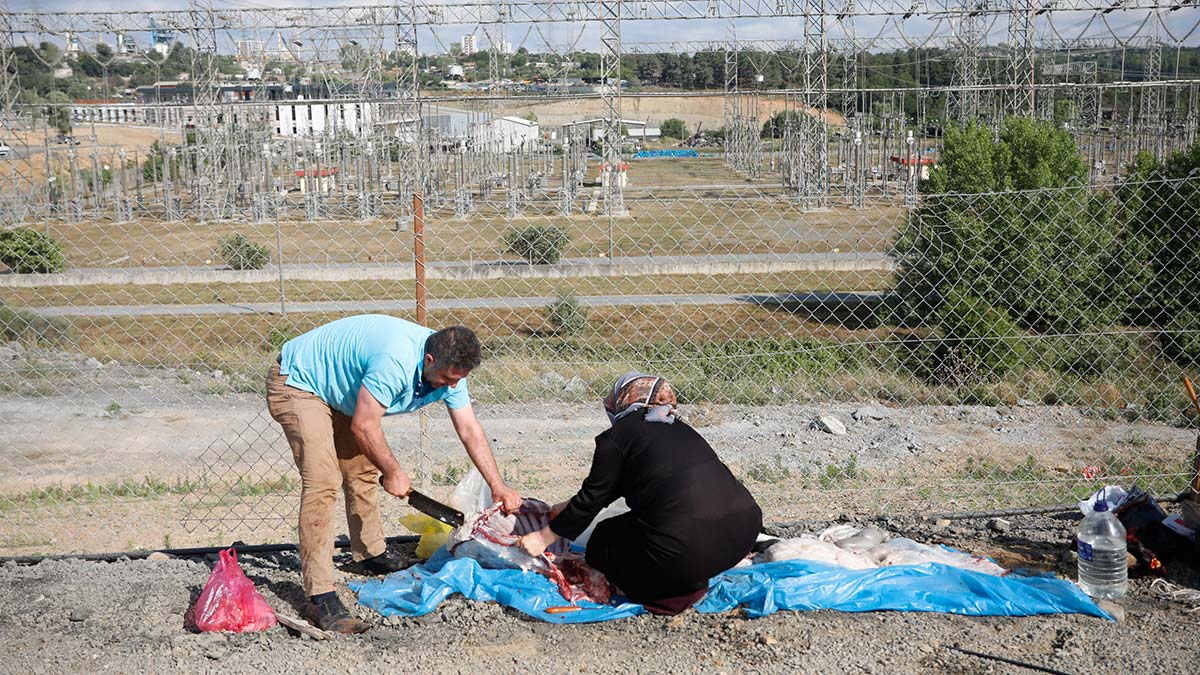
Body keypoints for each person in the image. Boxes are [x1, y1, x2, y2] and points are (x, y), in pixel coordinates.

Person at [266, 315, 521, 633]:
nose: (452, 386)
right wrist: (394, 472)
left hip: (342, 392)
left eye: (458, 380)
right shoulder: (395, 362)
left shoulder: (452, 370)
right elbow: (364, 425)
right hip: (300, 381)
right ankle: (320, 596)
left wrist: (498, 486)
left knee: (360, 470)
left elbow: (469, 429)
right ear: (429, 360)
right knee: (324, 481)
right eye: (446, 378)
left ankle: (370, 553)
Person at [517, 372, 762, 615]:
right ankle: (693, 575)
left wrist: (542, 538)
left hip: (687, 549)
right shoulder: (678, 428)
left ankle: (670, 594)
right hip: (742, 534)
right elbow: (614, 488)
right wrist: (565, 508)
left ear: (623, 400)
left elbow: (593, 497)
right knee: (653, 528)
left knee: (604, 540)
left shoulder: (617, 438)